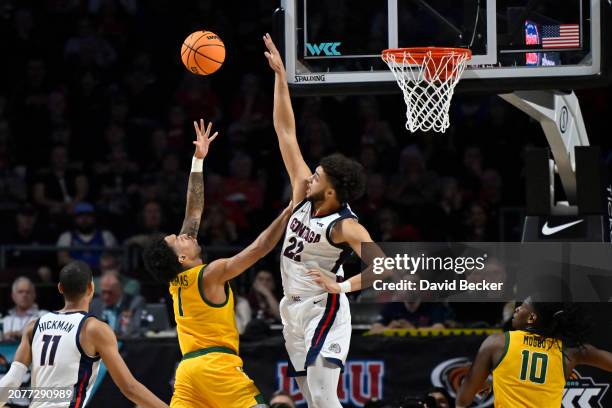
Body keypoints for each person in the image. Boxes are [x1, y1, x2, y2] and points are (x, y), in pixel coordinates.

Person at [264, 34, 378, 408]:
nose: (308, 178)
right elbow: (285, 133)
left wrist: (341, 287)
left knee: (326, 402)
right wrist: (281, 77)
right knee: (313, 402)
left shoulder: (344, 226)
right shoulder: (303, 196)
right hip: (291, 309)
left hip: (322, 308)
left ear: (331, 191)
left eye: (317, 176)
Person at [144, 119, 291, 408]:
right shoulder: (210, 274)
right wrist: (286, 214)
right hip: (217, 368)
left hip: (186, 371)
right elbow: (260, 249)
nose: (184, 234)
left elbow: (194, 210)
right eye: (178, 239)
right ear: (182, 257)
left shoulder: (177, 281)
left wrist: (198, 160)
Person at [0, 261, 168, 407]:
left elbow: (11, 381)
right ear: (91, 287)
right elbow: (129, 388)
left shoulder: (34, 326)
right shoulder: (93, 328)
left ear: (60, 288)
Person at [456, 298, 612, 407]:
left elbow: (463, 400)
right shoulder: (567, 353)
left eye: (522, 305)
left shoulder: (498, 343)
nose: (516, 308)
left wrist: (489, 382)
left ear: (531, 317)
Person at [56, 201, 118, 268]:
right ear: (74, 219)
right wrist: (83, 265)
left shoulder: (106, 235)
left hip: (101, 272)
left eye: (88, 215)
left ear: (94, 218)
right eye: (80, 216)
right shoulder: (66, 236)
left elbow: (112, 258)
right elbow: (62, 259)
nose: (84, 219)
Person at [90, 271, 145, 337]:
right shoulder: (95, 305)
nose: (106, 297)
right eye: (103, 292)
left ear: (120, 289)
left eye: (110, 292)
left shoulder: (134, 303)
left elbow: (138, 331)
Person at [2, 277, 47, 342]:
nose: (24, 295)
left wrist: (21, 334)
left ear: (34, 295)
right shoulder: (5, 319)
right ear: (13, 296)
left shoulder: (44, 316)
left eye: (28, 292)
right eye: (20, 292)